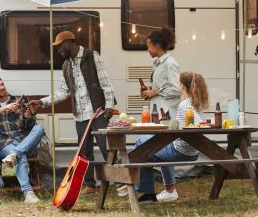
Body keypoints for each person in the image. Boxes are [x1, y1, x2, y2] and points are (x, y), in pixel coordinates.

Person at [28, 30, 116, 196]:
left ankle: (121, 182)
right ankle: (90, 184)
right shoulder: (66, 65)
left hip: (97, 111)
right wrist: (42, 102)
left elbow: (105, 82)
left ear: (69, 43)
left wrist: (109, 105)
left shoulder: (91, 55)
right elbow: (63, 92)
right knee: (84, 151)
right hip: (80, 114)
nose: (59, 51)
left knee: (107, 147)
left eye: (60, 47)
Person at [134, 71, 208, 204]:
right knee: (155, 148)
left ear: (182, 86)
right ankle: (169, 191)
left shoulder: (185, 105)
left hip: (180, 150)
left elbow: (195, 124)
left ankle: (146, 192)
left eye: (178, 82)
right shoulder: (197, 104)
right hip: (193, 150)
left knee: (142, 143)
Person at [0, 75, 45, 204]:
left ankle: (15, 153)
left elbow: (28, 127)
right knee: (20, 156)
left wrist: (28, 117)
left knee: (39, 128)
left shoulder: (18, 101)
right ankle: (28, 193)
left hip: (22, 140)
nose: (2, 87)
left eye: (2, 84)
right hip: (4, 144)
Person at [141, 27, 181, 119]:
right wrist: (149, 92)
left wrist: (155, 92)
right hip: (159, 110)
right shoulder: (158, 63)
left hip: (167, 112)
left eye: (148, 46)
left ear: (156, 46)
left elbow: (177, 89)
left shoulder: (170, 63)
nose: (147, 50)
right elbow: (162, 86)